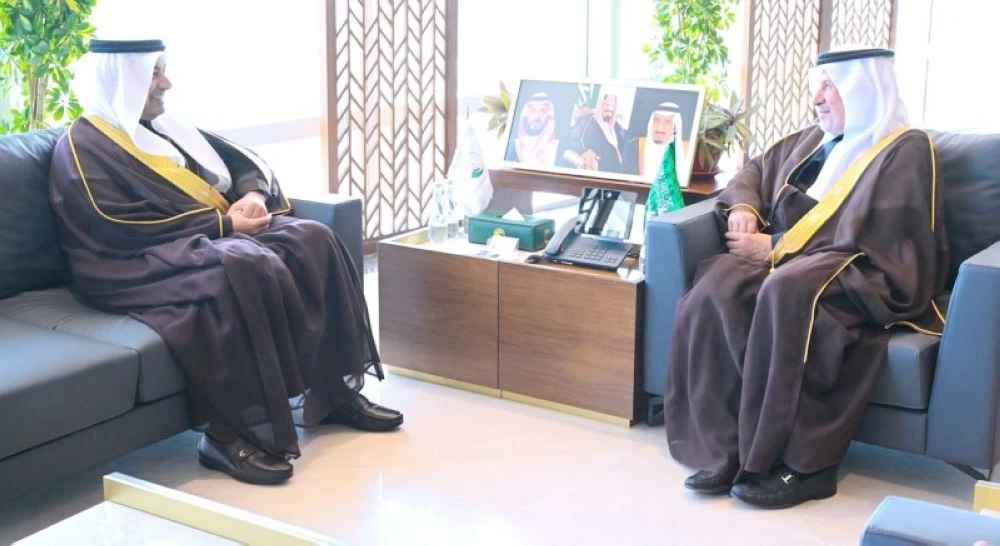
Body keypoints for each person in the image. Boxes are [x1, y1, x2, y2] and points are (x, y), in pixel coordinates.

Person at [49, 39, 403, 486]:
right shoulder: (84, 145)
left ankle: (333, 392)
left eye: (163, 69)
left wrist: (252, 196)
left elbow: (240, 163)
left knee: (314, 238)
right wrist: (224, 225)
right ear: (122, 79)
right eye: (154, 73)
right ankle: (224, 436)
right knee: (241, 266)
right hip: (128, 262)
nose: (166, 83)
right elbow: (115, 225)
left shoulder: (162, 127)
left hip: (197, 236)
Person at [663, 46, 948, 508]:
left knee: (789, 293)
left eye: (829, 88)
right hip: (791, 261)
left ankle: (805, 465)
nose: (816, 99)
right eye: (817, 88)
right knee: (716, 285)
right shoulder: (812, 140)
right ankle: (724, 448)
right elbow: (755, 169)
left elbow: (886, 235)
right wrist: (743, 207)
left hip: (861, 270)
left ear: (863, 89)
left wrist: (777, 247)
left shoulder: (905, 149)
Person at [568, 91, 632, 174]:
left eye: (613, 106)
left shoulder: (616, 126)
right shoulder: (589, 123)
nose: (609, 109)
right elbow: (574, 142)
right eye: (607, 104)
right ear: (601, 104)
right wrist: (588, 152)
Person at [506, 92, 562, 167]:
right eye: (532, 110)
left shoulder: (557, 147)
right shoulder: (513, 145)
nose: (537, 117)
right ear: (525, 114)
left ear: (549, 116)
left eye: (543, 111)